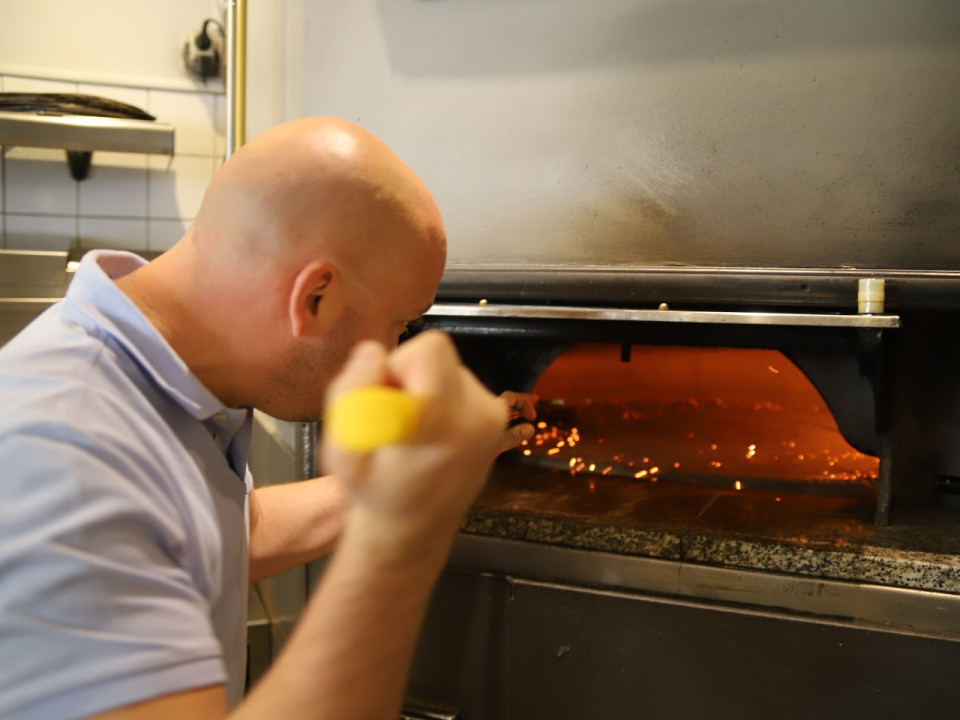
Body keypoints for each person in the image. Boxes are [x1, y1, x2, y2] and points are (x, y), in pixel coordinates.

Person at [0, 117, 537, 720]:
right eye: (401, 324)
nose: (395, 350)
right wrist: (400, 533)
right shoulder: (64, 454)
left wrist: (422, 468)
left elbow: (229, 535)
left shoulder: (160, 395)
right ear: (315, 297)